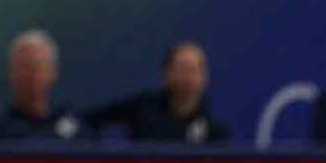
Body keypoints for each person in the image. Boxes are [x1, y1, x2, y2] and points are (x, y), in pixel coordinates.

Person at [86, 41, 230, 144]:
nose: (190, 77)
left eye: (196, 70)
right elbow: (89, 121)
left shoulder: (214, 130)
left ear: (205, 76)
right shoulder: (142, 107)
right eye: (184, 69)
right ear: (167, 73)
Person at [0, 30, 84, 141]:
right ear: (11, 73)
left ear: (53, 72)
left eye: (38, 67)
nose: (31, 76)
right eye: (24, 67)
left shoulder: (72, 124)